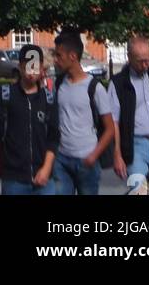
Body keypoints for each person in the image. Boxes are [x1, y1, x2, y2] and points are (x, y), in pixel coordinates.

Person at [0, 45, 59, 195]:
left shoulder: (48, 98)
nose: (32, 72)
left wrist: (46, 168)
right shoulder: (6, 95)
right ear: (20, 67)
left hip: (43, 176)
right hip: (14, 177)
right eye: (28, 66)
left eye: (35, 67)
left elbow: (53, 137)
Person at [51, 28, 114, 195]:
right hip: (61, 159)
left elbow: (110, 128)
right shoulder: (59, 84)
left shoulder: (94, 88)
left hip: (87, 159)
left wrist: (94, 156)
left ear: (72, 56)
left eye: (59, 56)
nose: (55, 60)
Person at [109, 36, 149, 189]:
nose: (145, 65)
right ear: (129, 57)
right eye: (140, 61)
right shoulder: (118, 83)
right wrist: (117, 155)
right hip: (136, 146)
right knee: (140, 190)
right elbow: (113, 122)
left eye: (147, 60)